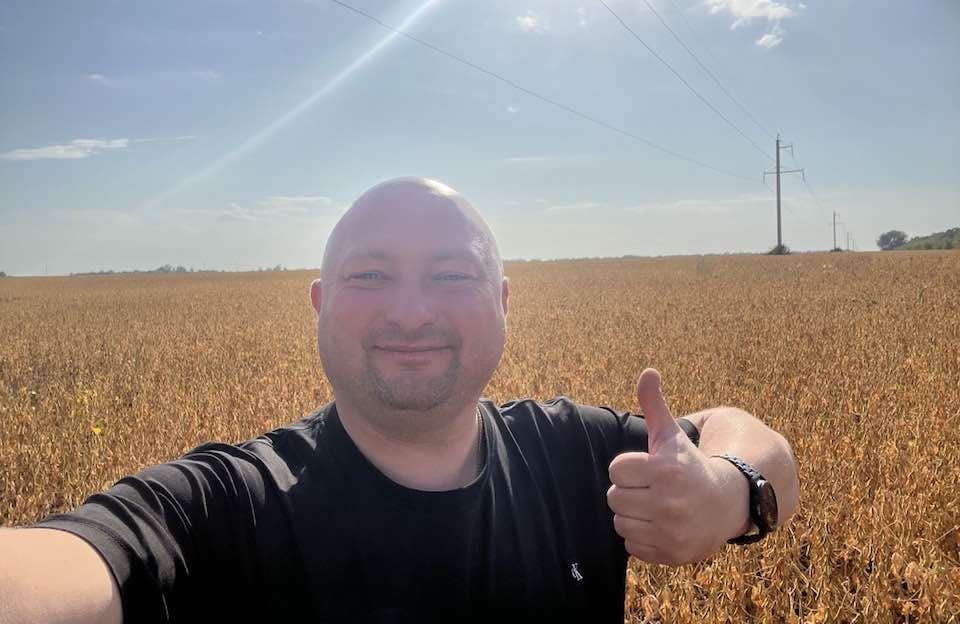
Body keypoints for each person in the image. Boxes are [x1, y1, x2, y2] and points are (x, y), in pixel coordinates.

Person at [0, 177, 799, 623]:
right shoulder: (228, 508)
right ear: (320, 305)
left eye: (450, 274)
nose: (411, 312)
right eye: (370, 275)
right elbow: (74, 567)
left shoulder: (575, 456)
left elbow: (754, 442)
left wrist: (731, 490)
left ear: (503, 302)